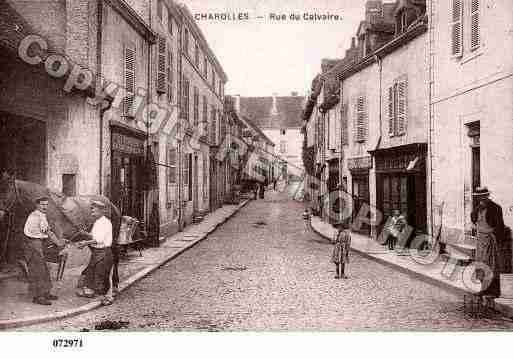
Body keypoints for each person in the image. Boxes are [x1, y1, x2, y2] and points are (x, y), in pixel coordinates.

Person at [23, 197, 63, 305]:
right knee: (38, 270)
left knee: (43, 269)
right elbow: (49, 233)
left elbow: (45, 233)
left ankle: (45, 293)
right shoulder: (36, 216)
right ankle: (38, 297)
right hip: (33, 245)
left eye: (46, 204)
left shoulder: (41, 215)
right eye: (42, 204)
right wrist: (59, 243)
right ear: (37, 205)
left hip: (38, 243)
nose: (45, 207)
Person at [76, 200, 114, 305]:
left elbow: (99, 239)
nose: (91, 210)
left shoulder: (105, 222)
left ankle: (107, 297)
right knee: (94, 273)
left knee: (101, 275)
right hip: (97, 252)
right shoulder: (97, 222)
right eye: (91, 208)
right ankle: (99, 295)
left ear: (101, 211)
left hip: (104, 252)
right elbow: (94, 236)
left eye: (94, 209)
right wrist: (85, 234)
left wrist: (85, 243)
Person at [470, 187, 505, 297]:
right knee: (481, 265)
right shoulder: (477, 209)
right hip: (480, 240)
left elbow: (500, 226)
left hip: (490, 240)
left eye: (483, 197)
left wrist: (496, 237)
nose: (481, 199)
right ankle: (484, 289)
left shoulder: (495, 208)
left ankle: (494, 291)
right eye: (479, 197)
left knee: (492, 265)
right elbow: (473, 218)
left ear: (487, 196)